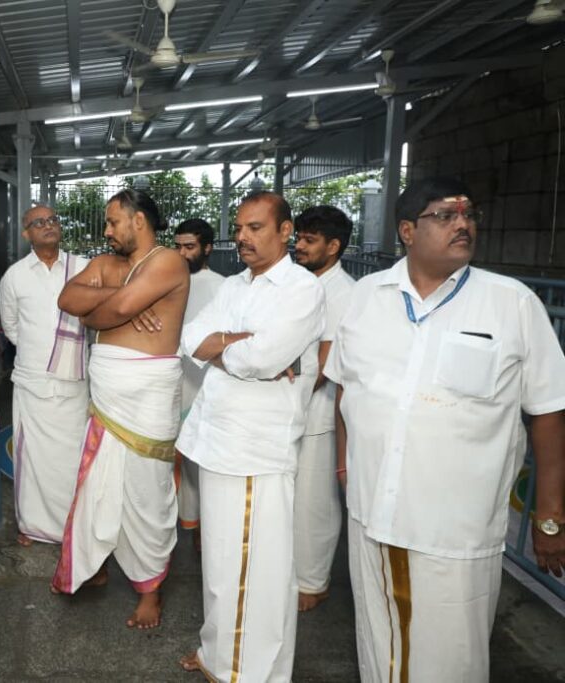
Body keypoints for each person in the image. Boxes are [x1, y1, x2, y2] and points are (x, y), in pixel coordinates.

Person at [325, 177, 565, 682]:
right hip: (372, 511)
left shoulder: (511, 303)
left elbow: (548, 411)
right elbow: (345, 388)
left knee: (450, 657)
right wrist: (345, 468)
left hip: (454, 526)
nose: (463, 224)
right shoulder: (367, 296)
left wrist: (549, 516)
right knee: (379, 642)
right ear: (407, 231)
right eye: (445, 215)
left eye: (469, 215)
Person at [178, 191, 325, 681]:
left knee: (254, 569)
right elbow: (190, 339)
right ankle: (218, 655)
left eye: (255, 227)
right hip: (217, 440)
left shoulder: (301, 289)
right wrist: (236, 344)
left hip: (255, 449)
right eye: (239, 228)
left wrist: (227, 348)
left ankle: (249, 672)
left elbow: (262, 359)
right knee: (222, 565)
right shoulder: (235, 285)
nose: (242, 237)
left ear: (285, 231)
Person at [50, 188, 190, 630]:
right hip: (109, 396)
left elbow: (117, 310)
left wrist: (110, 307)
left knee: (146, 494)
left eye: (113, 221)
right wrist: (116, 297)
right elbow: (68, 301)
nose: (107, 230)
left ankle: (151, 590)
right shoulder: (108, 264)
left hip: (147, 399)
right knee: (100, 484)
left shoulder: (168, 261)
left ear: (138, 221)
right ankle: (96, 563)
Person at [0, 204, 90, 546]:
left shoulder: (83, 268)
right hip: (34, 381)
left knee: (71, 456)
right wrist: (43, 353)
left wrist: (65, 357)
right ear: (27, 234)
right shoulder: (15, 276)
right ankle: (34, 526)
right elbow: (11, 327)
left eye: (52, 220)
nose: (48, 225)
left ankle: (73, 524)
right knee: (33, 457)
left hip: (74, 381)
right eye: (38, 223)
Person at [291, 205, 356, 611]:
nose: (298, 246)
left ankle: (313, 583)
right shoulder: (301, 282)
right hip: (290, 404)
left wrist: (281, 393)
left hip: (318, 411)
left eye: (309, 240)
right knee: (293, 501)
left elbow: (324, 362)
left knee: (314, 503)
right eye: (298, 237)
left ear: (333, 247)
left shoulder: (343, 291)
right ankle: (294, 573)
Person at [172, 218, 225, 543]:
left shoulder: (222, 287)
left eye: (189, 247)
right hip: (170, 380)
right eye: (177, 246)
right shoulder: (166, 281)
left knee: (201, 458)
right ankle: (181, 522)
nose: (181, 253)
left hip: (205, 384)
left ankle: (206, 530)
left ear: (207, 248)